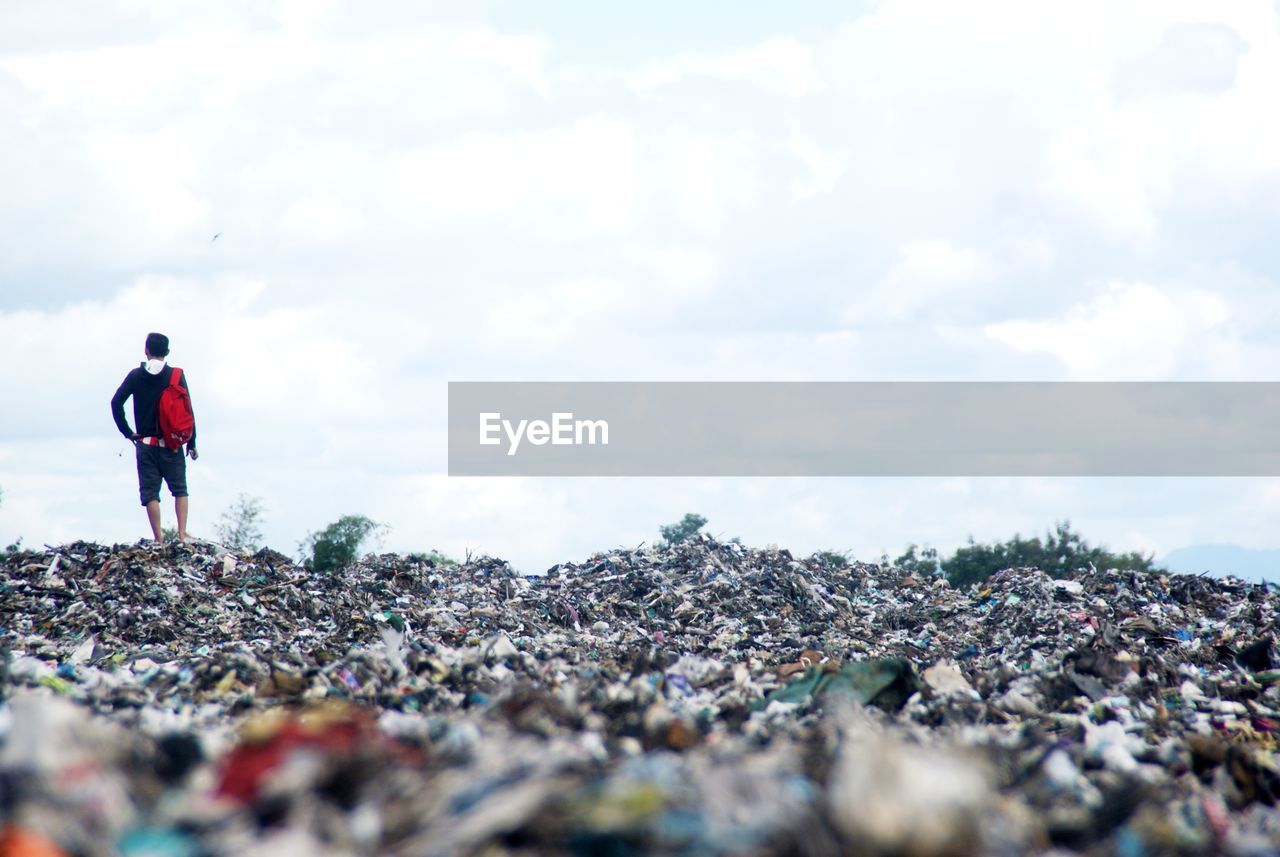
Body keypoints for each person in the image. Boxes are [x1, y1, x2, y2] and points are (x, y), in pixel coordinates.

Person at [111, 332, 198, 541]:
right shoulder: (176, 375)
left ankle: (158, 539)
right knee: (180, 489)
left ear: (146, 350)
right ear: (167, 352)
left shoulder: (135, 376)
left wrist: (128, 432)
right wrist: (191, 442)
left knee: (151, 494)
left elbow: (116, 403)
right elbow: (188, 410)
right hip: (172, 444)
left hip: (145, 444)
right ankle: (182, 533)